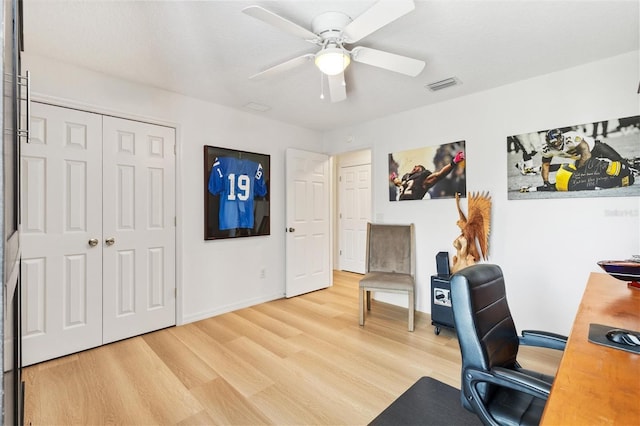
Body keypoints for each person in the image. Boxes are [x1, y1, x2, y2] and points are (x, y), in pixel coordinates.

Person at [537, 128, 635, 190]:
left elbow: (586, 154)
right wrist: (546, 182)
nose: (555, 145)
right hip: (580, 158)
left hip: (595, 148)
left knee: (620, 161)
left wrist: (580, 169)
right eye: (552, 143)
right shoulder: (547, 149)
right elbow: (545, 165)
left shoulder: (571, 137)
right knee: (594, 176)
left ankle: (633, 166)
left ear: (561, 137)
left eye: (557, 142)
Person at [520, 156, 635, 192]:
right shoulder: (608, 184)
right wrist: (533, 189)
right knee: (556, 186)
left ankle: (535, 168)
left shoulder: (603, 166)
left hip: (565, 174)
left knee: (568, 165)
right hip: (565, 186)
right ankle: (531, 189)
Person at [390, 151, 465, 200]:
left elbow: (439, 175)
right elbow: (401, 185)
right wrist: (395, 179)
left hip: (413, 205)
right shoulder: (406, 178)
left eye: (418, 167)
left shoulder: (422, 179)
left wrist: (454, 162)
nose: (415, 166)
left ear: (421, 171)